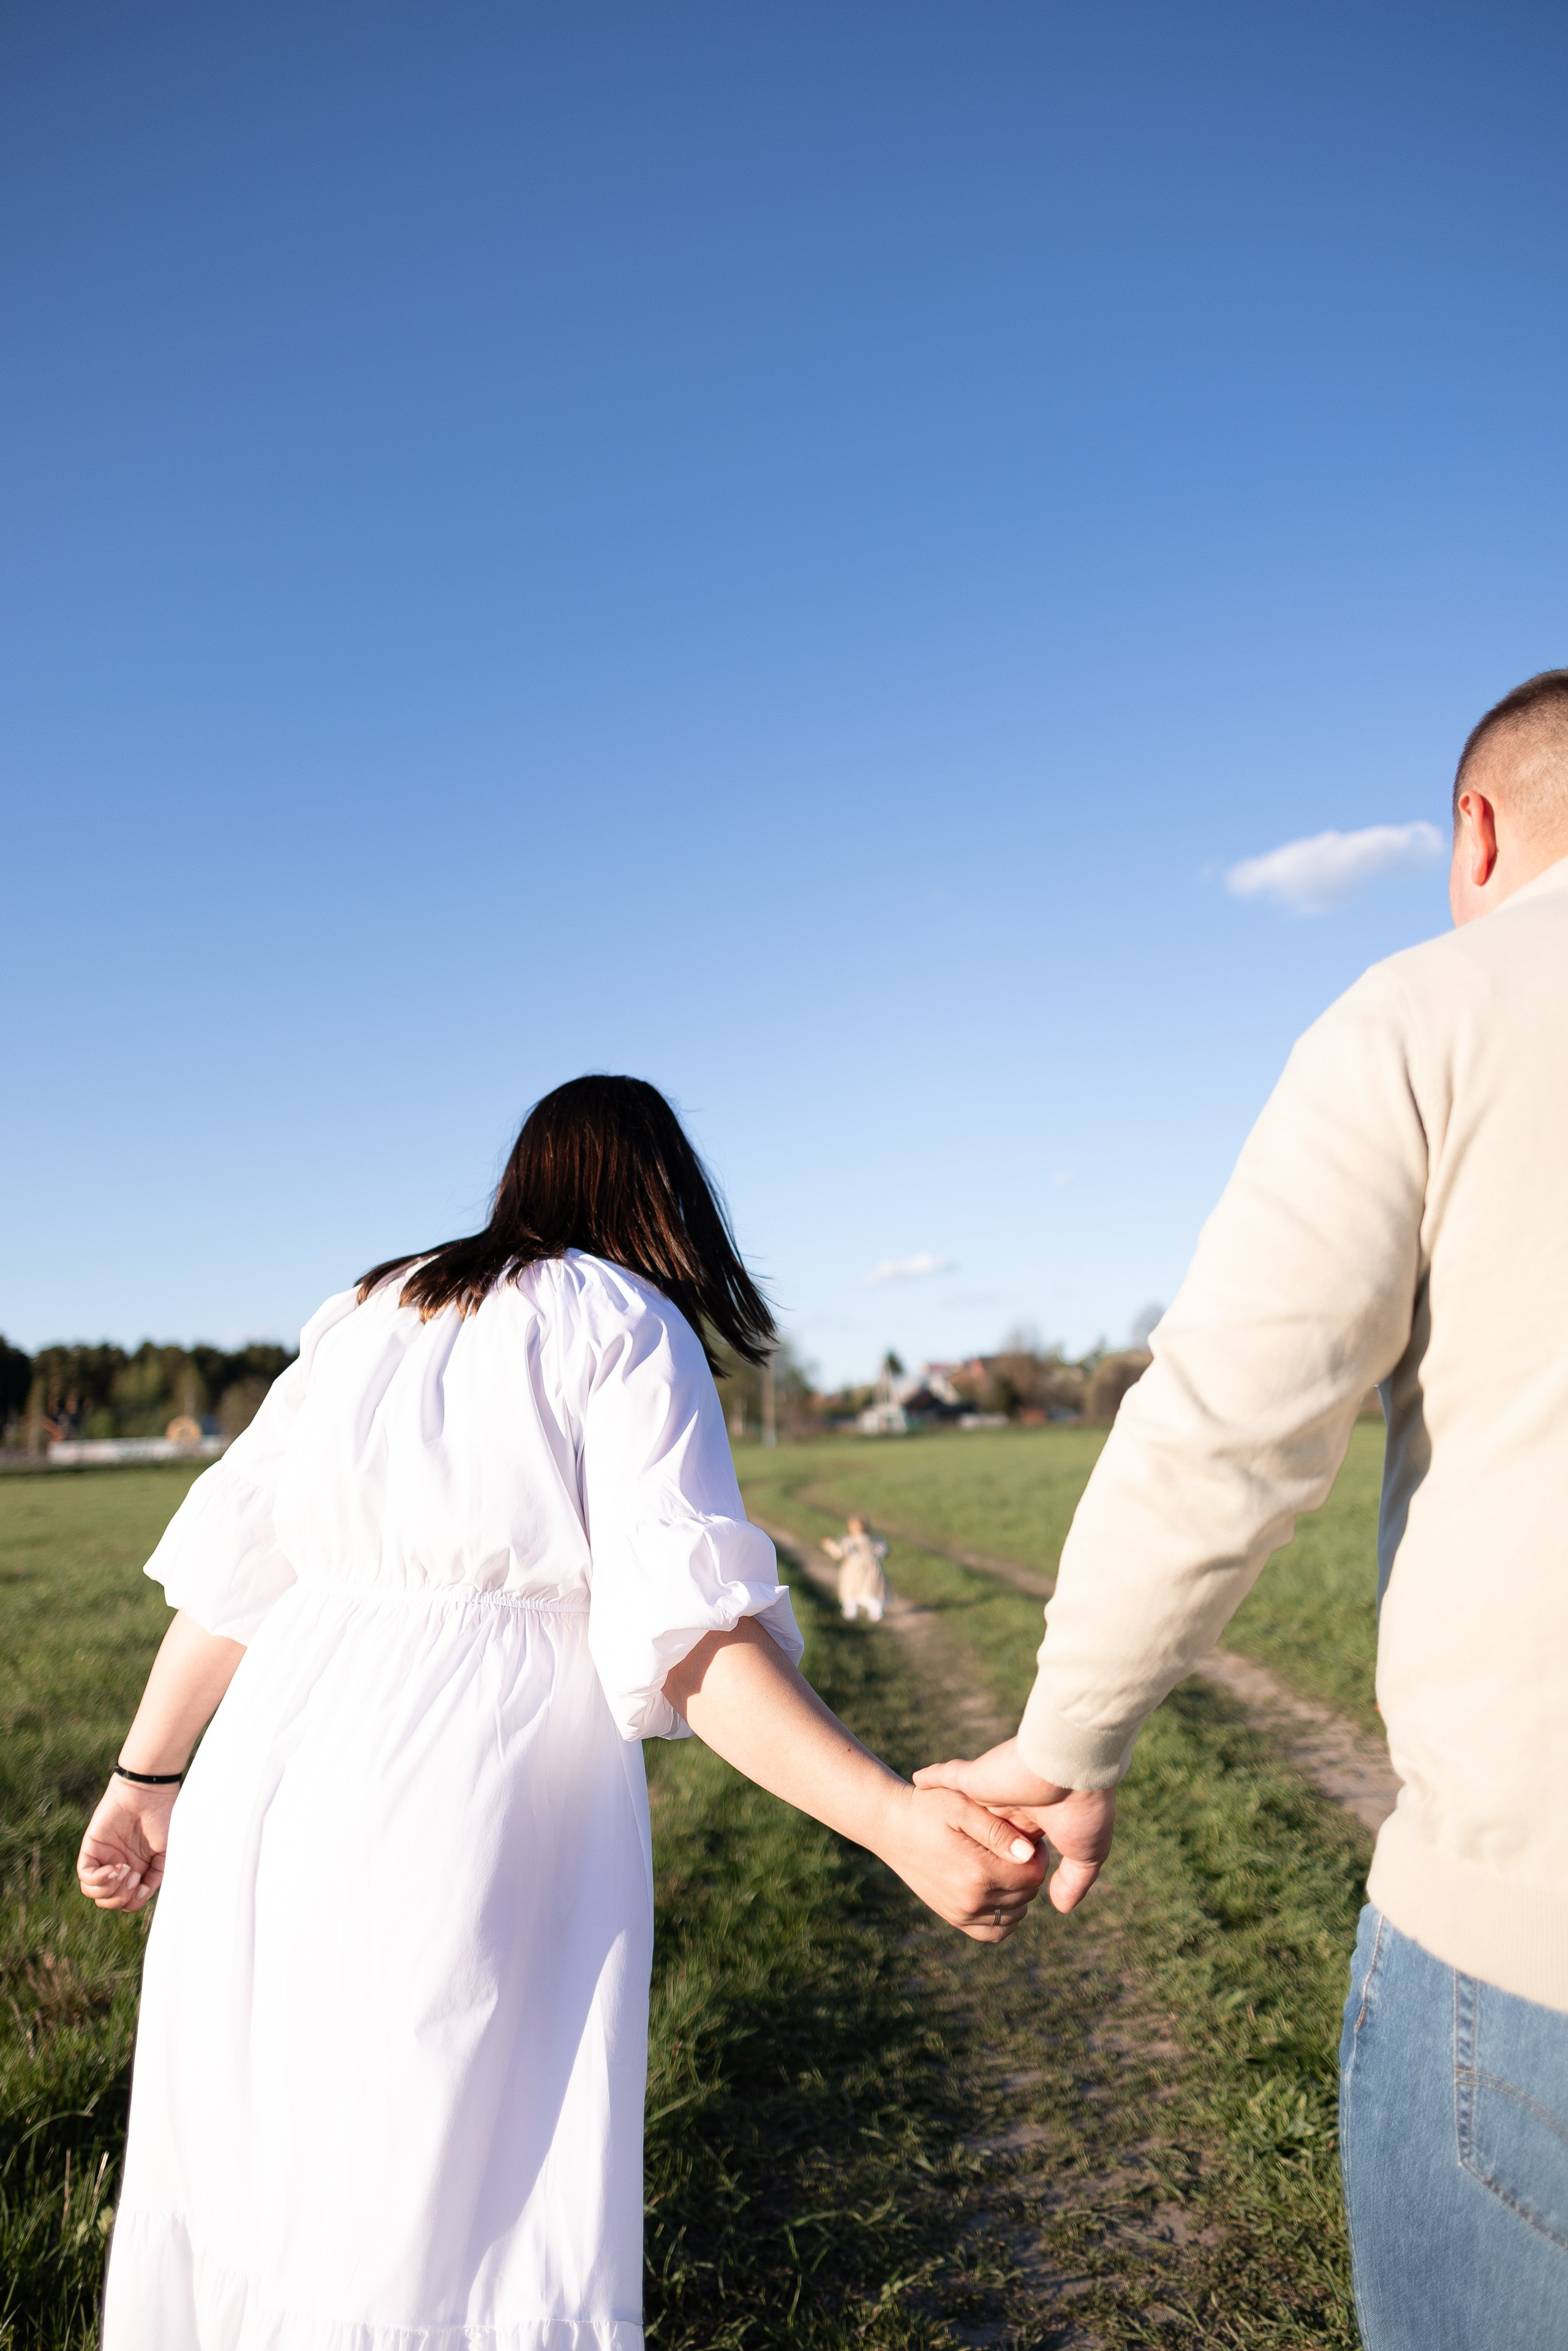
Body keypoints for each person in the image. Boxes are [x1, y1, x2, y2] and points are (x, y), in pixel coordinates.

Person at [79, 1075, 1046, 2351]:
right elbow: (691, 1635)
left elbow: (239, 1578)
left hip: (266, 1777)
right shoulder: (621, 1318)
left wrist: (145, 1781)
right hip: (461, 1793)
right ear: (663, 1196)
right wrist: (893, 1818)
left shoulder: (366, 1307)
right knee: (434, 2212)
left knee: (267, 2172)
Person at [918, 673, 1568, 2349]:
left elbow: (1230, 1425)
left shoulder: (1433, 1009)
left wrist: (1067, 1740)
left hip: (1534, 1952)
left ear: (1476, 830)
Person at [821, 1515, 889, 1621]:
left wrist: (829, 1544)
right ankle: (875, 1612)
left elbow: (839, 1553)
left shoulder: (849, 1542)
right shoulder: (875, 1541)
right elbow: (884, 1552)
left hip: (853, 1570)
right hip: (872, 1569)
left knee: (850, 1589)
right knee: (872, 1589)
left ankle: (851, 1610)